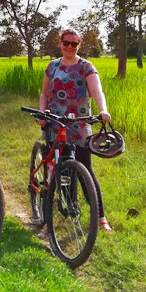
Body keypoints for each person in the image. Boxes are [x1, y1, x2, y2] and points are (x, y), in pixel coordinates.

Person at [38, 29, 113, 232]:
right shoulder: (52, 66)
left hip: (80, 125)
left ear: (79, 46)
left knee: (85, 171)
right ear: (60, 43)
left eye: (74, 44)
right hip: (54, 122)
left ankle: (101, 217)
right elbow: (45, 93)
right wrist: (41, 113)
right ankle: (67, 205)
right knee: (59, 167)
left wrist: (103, 110)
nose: (70, 47)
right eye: (66, 43)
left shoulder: (86, 66)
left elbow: (97, 91)